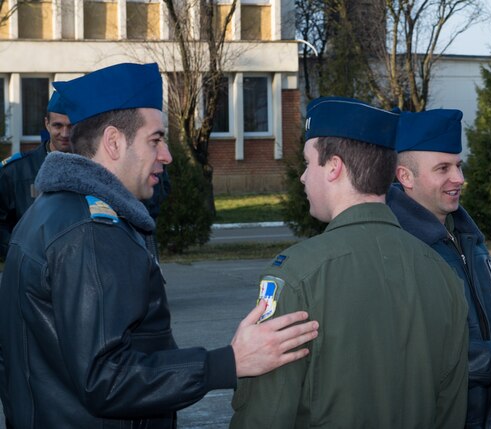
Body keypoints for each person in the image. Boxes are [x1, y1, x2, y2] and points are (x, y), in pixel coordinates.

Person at [0, 62, 319, 428]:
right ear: (114, 142)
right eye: (155, 139)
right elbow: (105, 379)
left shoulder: (51, 210)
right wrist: (228, 362)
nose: (166, 155)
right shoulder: (91, 233)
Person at [229, 97, 470, 428]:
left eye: (308, 163)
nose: (302, 177)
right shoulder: (443, 274)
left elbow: (265, 414)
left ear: (333, 167)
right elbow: (451, 409)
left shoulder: (298, 274)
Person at [386, 109, 491, 428]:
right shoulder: (395, 247)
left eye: (458, 166)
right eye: (443, 168)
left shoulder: (467, 237)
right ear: (405, 177)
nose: (459, 179)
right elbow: (413, 350)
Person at [0, 91, 72, 261]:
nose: (65, 133)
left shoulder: (94, 170)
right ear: (46, 124)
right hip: (29, 277)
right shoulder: (16, 171)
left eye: (71, 126)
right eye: (58, 125)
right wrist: (19, 253)